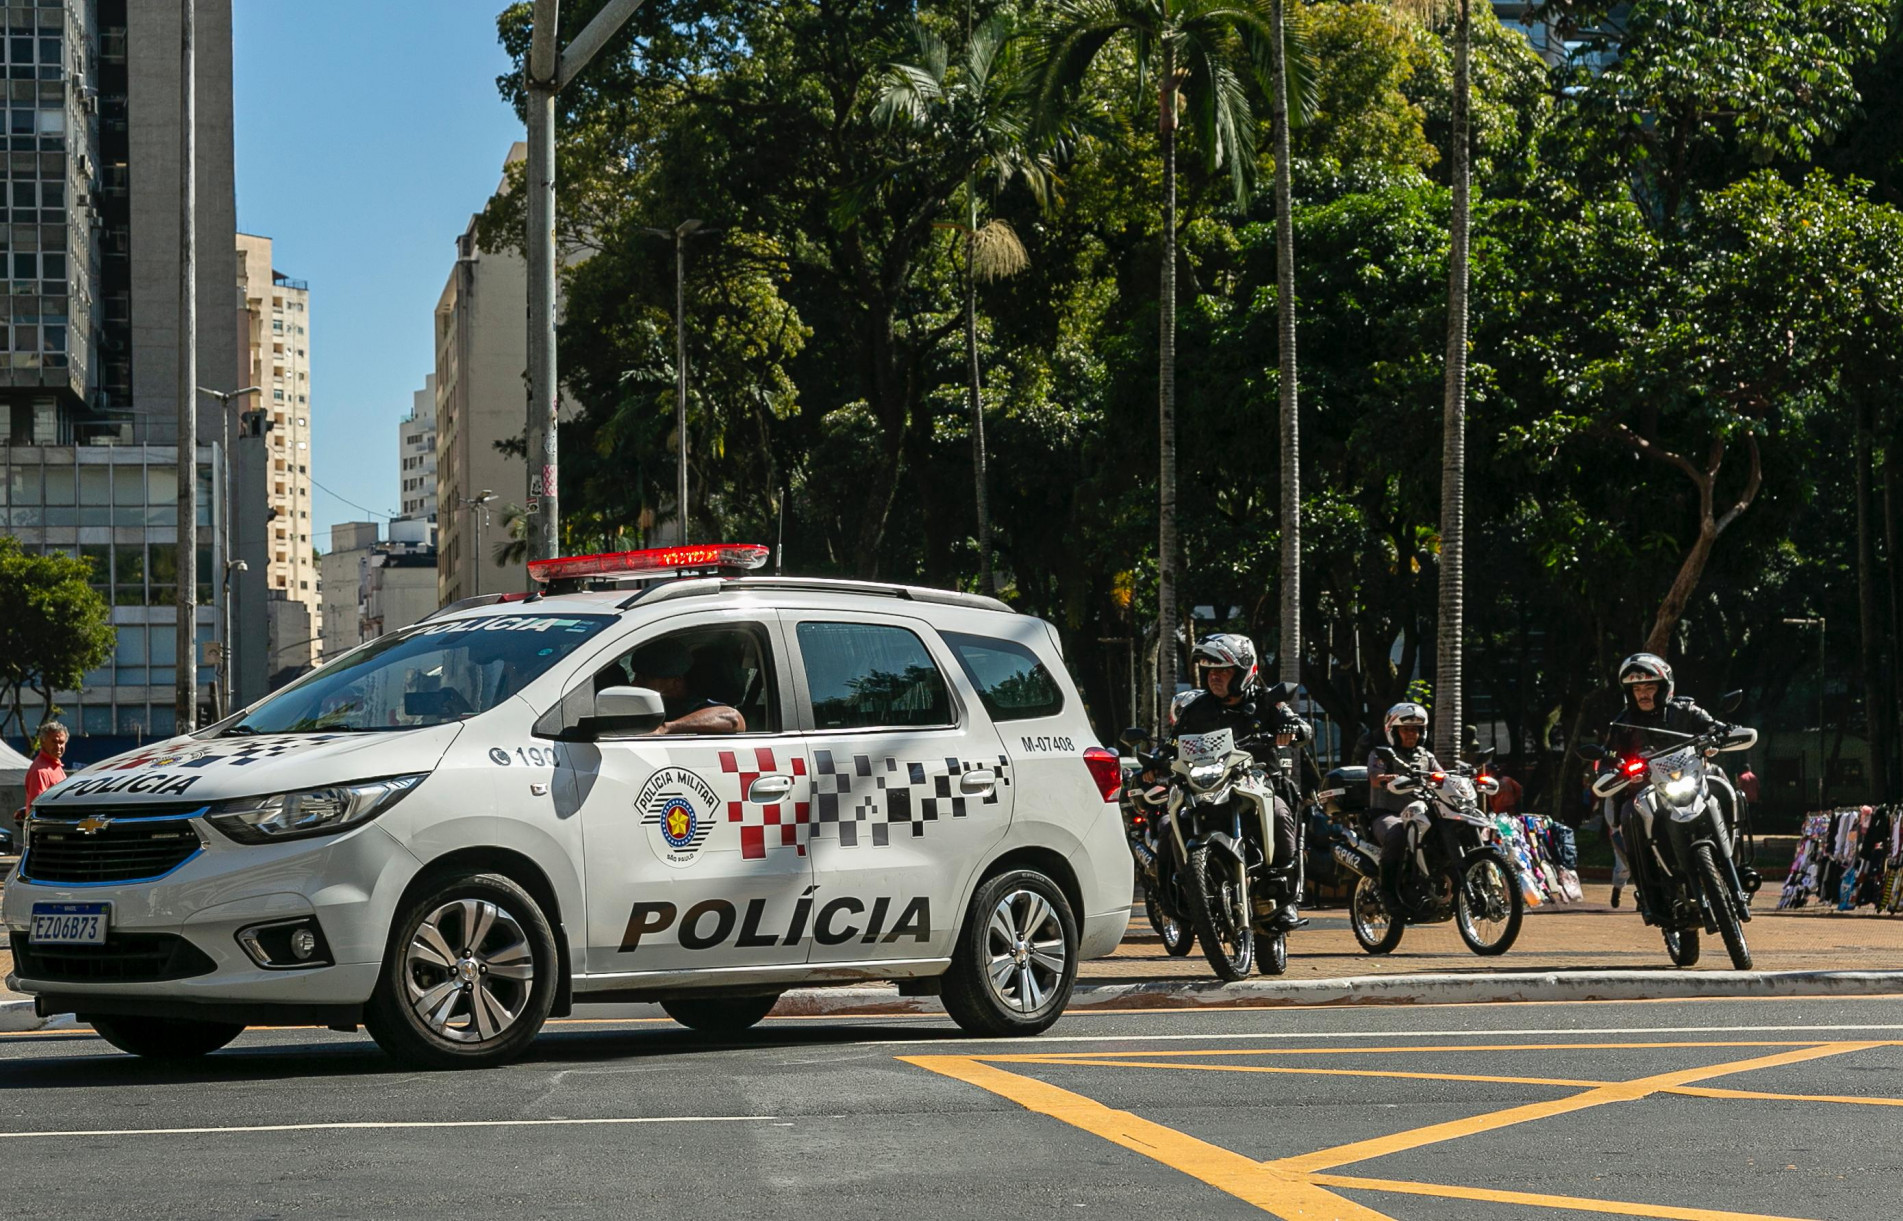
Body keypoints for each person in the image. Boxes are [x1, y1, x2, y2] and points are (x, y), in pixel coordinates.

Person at [1171, 633, 1311, 928]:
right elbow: (1172, 742)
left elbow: (1302, 728)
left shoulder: (1267, 702)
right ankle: (1188, 891)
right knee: (1176, 820)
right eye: (1210, 671)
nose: (1214, 677)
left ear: (1245, 671)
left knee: (1279, 812)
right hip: (1211, 786)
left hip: (1257, 781)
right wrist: (1157, 758)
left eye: (1223, 670)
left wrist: (1292, 730)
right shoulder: (1197, 708)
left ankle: (1284, 895)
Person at [1601, 652, 1747, 918]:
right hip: (1645, 790)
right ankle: (1649, 894)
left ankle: (1736, 858)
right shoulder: (1621, 724)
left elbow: (1715, 727)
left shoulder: (1685, 710)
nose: (1643, 694)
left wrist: (1720, 735)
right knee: (1628, 815)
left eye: (1649, 686)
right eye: (1637, 688)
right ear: (1628, 692)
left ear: (1664, 687)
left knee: (1724, 786)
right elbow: (1608, 759)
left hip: (1691, 779)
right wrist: (1618, 771)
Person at [1367, 702, 1441, 911]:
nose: (1412, 734)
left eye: (1416, 730)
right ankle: (1387, 892)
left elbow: (1442, 776)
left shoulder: (1427, 756)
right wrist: (1386, 779)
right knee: (1398, 833)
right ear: (1394, 731)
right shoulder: (1382, 754)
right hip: (1389, 814)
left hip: (1421, 813)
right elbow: (1374, 777)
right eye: (1406, 729)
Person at [626, 637, 745, 736]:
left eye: (645, 678)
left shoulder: (699, 707)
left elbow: (733, 719)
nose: (634, 683)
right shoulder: (658, 703)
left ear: (676, 681)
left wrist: (665, 729)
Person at [24, 720, 69, 815]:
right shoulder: (40, 771)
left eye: (62, 742)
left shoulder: (56, 766)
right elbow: (38, 809)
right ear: (42, 742)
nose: (58, 746)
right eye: (54, 742)